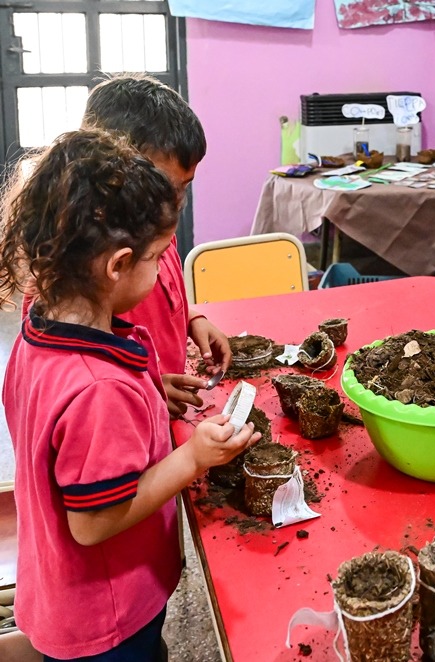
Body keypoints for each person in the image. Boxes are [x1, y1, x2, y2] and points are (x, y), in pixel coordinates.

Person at [0, 130, 259, 660]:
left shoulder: (39, 331)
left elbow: (63, 435)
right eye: (159, 256)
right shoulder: (98, 388)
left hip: (59, 584)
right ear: (117, 265)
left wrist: (145, 390)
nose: (164, 266)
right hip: (106, 614)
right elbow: (93, 522)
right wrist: (193, 457)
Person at [82, 72, 230, 417]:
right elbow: (69, 358)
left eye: (185, 186)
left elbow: (164, 294)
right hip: (122, 422)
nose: (174, 202)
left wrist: (192, 319)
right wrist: (145, 388)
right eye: (162, 186)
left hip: (166, 416)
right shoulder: (75, 256)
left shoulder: (155, 223)